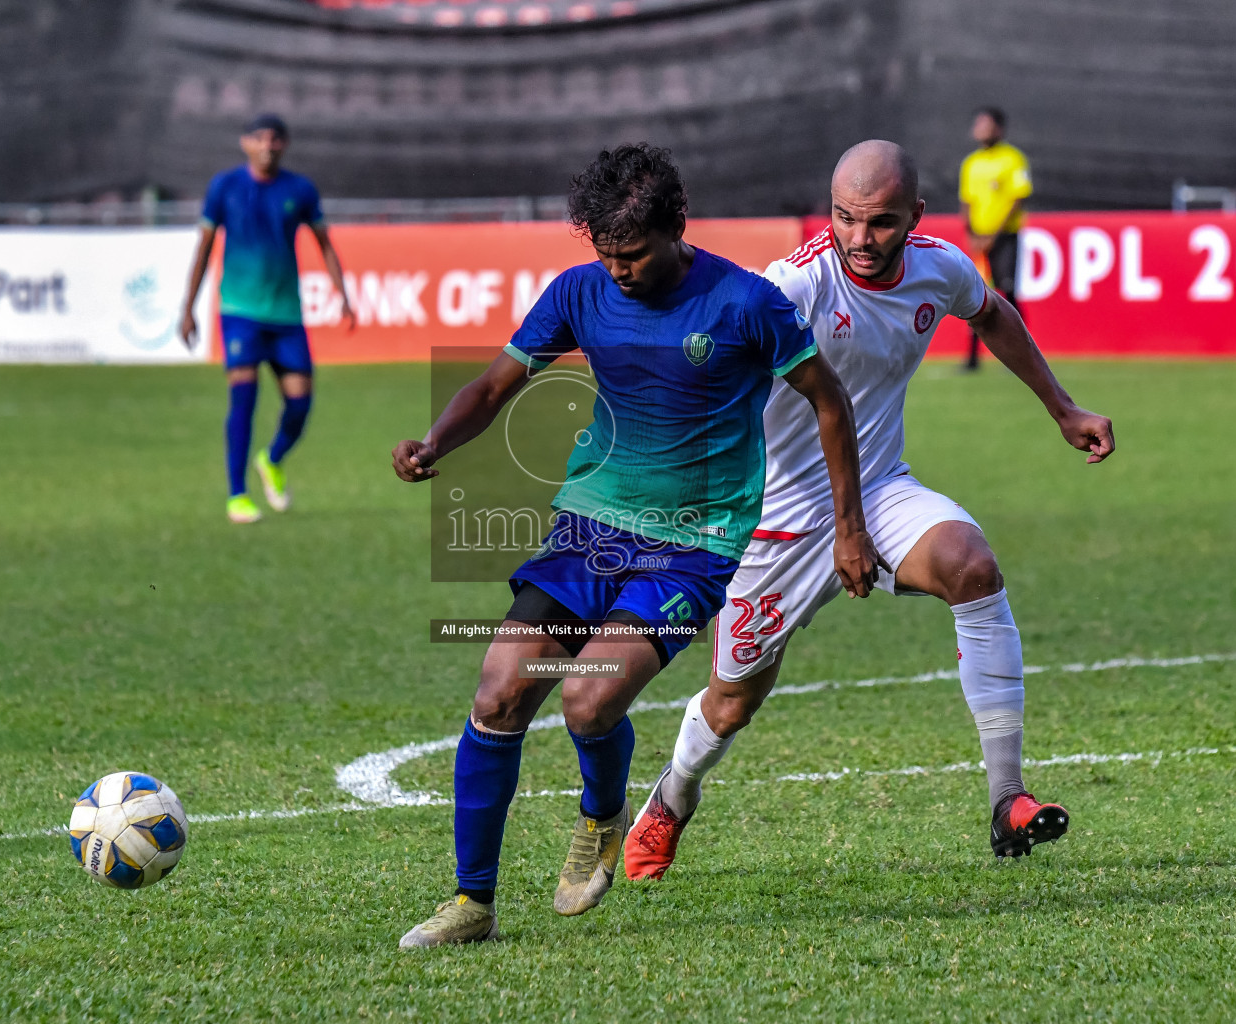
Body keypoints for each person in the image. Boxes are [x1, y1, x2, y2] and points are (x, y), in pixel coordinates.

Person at [390, 143, 883, 948]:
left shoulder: (745, 302)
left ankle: (602, 813)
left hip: (694, 543)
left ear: (675, 228)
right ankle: (471, 904)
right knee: (500, 693)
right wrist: (436, 442)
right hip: (588, 526)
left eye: (632, 254)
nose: (616, 270)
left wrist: (850, 528)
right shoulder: (579, 292)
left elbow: (829, 401)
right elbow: (492, 386)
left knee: (588, 697)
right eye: (604, 253)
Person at [624, 140, 1115, 882]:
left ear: (915, 216)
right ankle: (672, 795)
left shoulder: (939, 267)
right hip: (776, 521)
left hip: (879, 489)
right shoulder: (795, 287)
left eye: (881, 222)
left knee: (972, 567)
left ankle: (1007, 798)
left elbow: (992, 313)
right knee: (731, 703)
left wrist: (1062, 407)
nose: (861, 238)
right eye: (846, 219)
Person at [179, 113, 355, 524]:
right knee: (243, 397)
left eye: (276, 139)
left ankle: (271, 458)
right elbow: (203, 248)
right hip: (239, 313)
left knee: (300, 405)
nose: (268, 146)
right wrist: (187, 307)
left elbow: (324, 244)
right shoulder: (224, 186)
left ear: (285, 145)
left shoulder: (299, 189)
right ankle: (237, 495)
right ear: (246, 143)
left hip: (286, 316)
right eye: (260, 138)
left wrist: (341, 292)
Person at [958, 107, 1031, 371]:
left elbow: (1018, 198)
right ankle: (972, 358)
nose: (980, 129)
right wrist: (971, 234)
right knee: (976, 296)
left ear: (999, 128)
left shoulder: (1013, 159)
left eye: (986, 124)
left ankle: (1023, 354)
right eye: (978, 124)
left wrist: (993, 235)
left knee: (1008, 294)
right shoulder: (971, 163)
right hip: (979, 241)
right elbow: (966, 202)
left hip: (1005, 238)